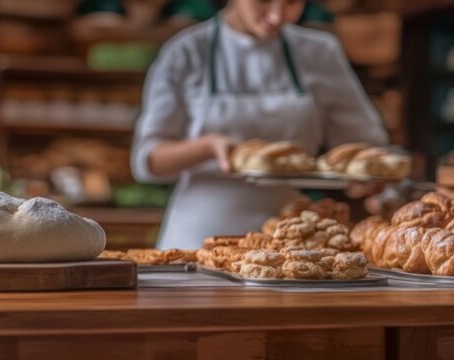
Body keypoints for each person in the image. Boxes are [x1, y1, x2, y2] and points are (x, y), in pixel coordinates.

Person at [131, 0, 388, 249]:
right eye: (263, 1)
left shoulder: (320, 52)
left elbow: (363, 145)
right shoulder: (186, 51)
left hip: (289, 236)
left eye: (292, 2)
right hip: (197, 237)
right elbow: (147, 159)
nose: (276, 16)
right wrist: (209, 146)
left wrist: (367, 178)